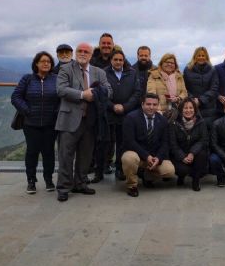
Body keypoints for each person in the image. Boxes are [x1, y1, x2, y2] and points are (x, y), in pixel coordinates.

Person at [54, 42, 112, 202]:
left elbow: (109, 90)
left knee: (86, 155)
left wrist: (97, 93)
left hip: (91, 121)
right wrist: (82, 95)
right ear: (75, 53)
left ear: (91, 55)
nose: (83, 53)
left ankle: (80, 183)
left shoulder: (99, 72)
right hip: (69, 119)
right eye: (80, 50)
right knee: (66, 155)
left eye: (86, 51)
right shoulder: (65, 69)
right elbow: (61, 90)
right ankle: (64, 188)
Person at [11, 51, 60, 194]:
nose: (46, 64)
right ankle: (31, 181)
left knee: (49, 152)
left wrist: (55, 112)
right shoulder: (27, 79)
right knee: (32, 152)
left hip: (50, 123)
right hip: (30, 123)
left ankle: (49, 180)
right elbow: (15, 97)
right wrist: (27, 110)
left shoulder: (56, 79)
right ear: (36, 64)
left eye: (49, 62)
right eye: (43, 61)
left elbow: (61, 98)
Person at [98, 50, 141, 183]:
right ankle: (99, 171)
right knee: (104, 143)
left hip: (126, 115)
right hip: (108, 114)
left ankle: (119, 169)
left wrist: (125, 107)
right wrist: (112, 106)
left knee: (123, 144)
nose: (118, 62)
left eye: (120, 60)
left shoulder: (132, 73)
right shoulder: (103, 73)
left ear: (124, 61)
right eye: (115, 59)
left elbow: (137, 93)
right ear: (111, 60)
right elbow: (100, 92)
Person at [121, 93, 175, 197]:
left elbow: (165, 143)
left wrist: (158, 158)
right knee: (129, 158)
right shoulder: (131, 118)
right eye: (148, 104)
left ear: (158, 105)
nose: (151, 107)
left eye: (154, 105)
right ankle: (132, 185)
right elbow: (130, 141)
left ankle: (147, 177)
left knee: (169, 171)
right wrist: (146, 156)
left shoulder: (162, 120)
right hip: (136, 154)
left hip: (153, 157)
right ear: (142, 104)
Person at [168, 98, 209, 191]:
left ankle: (196, 180)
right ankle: (181, 176)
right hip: (179, 155)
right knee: (183, 170)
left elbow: (203, 140)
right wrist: (182, 156)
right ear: (181, 110)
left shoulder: (201, 122)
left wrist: (192, 153)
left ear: (195, 109)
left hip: (195, 154)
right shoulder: (173, 123)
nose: (188, 110)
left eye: (191, 108)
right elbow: (173, 144)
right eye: (185, 108)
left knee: (202, 154)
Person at [183, 46, 219, 128]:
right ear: (195, 57)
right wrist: (193, 100)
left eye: (203, 55)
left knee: (208, 131)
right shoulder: (187, 70)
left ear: (206, 57)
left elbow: (214, 88)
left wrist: (200, 100)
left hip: (209, 107)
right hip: (191, 107)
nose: (201, 58)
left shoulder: (212, 70)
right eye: (199, 55)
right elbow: (184, 88)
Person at [146, 53, 188, 119]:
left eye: (172, 63)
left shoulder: (179, 76)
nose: (169, 64)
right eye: (167, 62)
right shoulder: (154, 75)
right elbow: (151, 93)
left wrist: (178, 98)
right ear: (161, 63)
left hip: (177, 111)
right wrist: (157, 109)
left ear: (175, 65)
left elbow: (184, 93)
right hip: (159, 112)